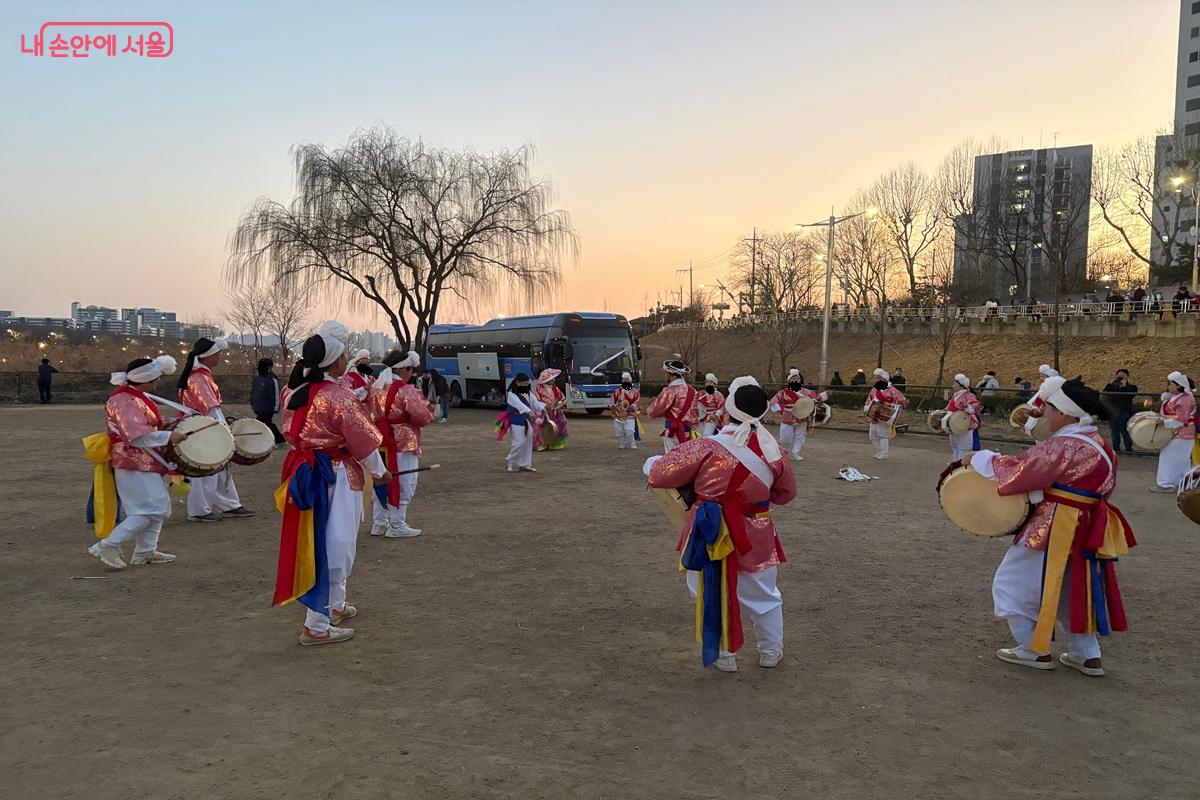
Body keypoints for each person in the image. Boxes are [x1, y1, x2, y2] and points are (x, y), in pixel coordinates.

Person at [968, 376, 1135, 677]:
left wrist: (981, 458)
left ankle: (1033, 649)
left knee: (1014, 583)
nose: (1045, 413)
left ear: (1067, 413)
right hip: (1086, 522)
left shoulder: (1065, 445)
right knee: (1072, 585)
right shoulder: (1101, 445)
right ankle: (1087, 655)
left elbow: (1023, 470)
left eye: (1051, 409)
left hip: (1054, 524)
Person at [645, 376, 797, 672]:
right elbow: (786, 494)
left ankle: (724, 654)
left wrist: (651, 463)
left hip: (709, 531)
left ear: (729, 408)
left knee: (708, 587)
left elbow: (660, 474)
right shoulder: (774, 450)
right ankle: (770, 651)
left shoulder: (706, 446)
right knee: (764, 594)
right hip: (757, 532)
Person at [274, 325, 389, 646]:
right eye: (344, 356)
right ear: (335, 362)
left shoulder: (292, 392)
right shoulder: (338, 396)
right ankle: (317, 625)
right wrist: (380, 472)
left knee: (320, 539)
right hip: (335, 475)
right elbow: (363, 442)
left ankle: (334, 606)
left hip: (304, 472)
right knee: (336, 544)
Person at [85, 355, 183, 570]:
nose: (158, 383)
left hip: (142, 459)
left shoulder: (134, 396)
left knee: (155, 507)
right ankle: (108, 545)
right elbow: (136, 435)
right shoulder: (124, 400)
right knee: (151, 508)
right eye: (155, 379)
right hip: (132, 459)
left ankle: (145, 551)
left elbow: (148, 424)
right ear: (145, 379)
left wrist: (174, 422)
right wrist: (169, 436)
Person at [177, 337, 253, 522]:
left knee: (219, 469)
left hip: (206, 426)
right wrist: (223, 429)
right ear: (207, 356)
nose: (219, 357)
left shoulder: (201, 375)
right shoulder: (198, 378)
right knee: (204, 471)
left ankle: (230, 504)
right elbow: (210, 407)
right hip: (202, 429)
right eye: (216, 354)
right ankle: (199, 510)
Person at [369, 349, 434, 537]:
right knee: (405, 480)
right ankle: (397, 524)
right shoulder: (406, 391)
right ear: (404, 369)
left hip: (379, 439)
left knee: (380, 479)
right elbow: (423, 416)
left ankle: (379, 522)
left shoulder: (376, 388)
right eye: (411, 370)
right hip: (402, 441)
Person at [1152, 371, 1197, 492]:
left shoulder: (1185, 399)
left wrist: (1164, 422)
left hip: (1182, 433)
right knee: (1176, 459)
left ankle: (1167, 484)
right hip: (1178, 433)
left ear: (1178, 385)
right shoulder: (1179, 398)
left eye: (1171, 384)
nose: (1168, 386)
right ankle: (1179, 483)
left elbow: (1182, 418)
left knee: (1172, 459)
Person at [770, 369, 827, 462]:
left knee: (800, 436)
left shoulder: (806, 392)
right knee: (785, 437)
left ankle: (795, 453)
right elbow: (773, 402)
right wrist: (782, 408)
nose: (795, 381)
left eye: (797, 379)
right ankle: (784, 452)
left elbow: (816, 398)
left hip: (803, 417)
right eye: (793, 379)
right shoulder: (783, 392)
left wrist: (825, 395)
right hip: (788, 416)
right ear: (789, 381)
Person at [647, 360, 699, 452]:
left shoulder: (669, 391)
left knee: (671, 461)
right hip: (689, 432)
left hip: (672, 431)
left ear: (671, 375)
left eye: (666, 373)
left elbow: (653, 412)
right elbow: (695, 413)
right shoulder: (693, 391)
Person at [497, 373, 545, 472]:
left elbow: (535, 403)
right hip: (516, 420)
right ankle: (510, 462)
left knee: (528, 441)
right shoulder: (511, 394)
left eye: (527, 383)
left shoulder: (528, 393)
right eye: (524, 384)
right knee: (518, 442)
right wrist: (530, 412)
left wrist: (543, 408)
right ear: (518, 383)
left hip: (526, 420)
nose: (526, 385)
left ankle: (525, 464)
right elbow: (520, 406)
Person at [864, 368, 908, 460]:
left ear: (884, 379)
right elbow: (869, 400)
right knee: (872, 435)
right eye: (876, 378)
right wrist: (867, 408)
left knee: (883, 435)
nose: (876, 379)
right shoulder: (874, 389)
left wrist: (890, 405)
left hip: (886, 414)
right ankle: (879, 451)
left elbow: (901, 400)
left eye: (878, 378)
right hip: (874, 414)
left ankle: (884, 453)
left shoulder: (892, 390)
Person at [941, 373, 981, 461]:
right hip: (954, 423)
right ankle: (955, 463)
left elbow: (975, 408)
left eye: (955, 384)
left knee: (963, 447)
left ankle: (960, 465)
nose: (953, 385)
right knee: (955, 446)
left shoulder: (969, 396)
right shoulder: (956, 395)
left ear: (961, 385)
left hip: (964, 424)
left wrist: (966, 407)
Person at [1101, 369, 1137, 455]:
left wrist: (1124, 386)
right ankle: (1116, 449)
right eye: (1118, 376)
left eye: (1122, 376)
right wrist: (1110, 383)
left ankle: (1128, 448)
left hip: (1125, 412)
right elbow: (1104, 393)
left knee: (1125, 431)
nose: (1120, 378)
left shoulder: (1131, 386)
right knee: (1114, 431)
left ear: (1127, 377)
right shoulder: (1112, 386)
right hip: (1112, 412)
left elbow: (1132, 394)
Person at [532, 368, 569, 451]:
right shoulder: (539, 389)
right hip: (543, 412)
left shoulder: (555, 388)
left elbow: (561, 398)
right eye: (552, 379)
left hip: (555, 411)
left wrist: (560, 403)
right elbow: (536, 400)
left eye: (554, 378)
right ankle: (540, 444)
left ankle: (554, 443)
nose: (554, 380)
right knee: (542, 428)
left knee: (559, 424)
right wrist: (544, 406)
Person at [251, 358, 286, 445]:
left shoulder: (272, 379)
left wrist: (275, 407)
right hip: (259, 406)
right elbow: (254, 392)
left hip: (268, 407)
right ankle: (278, 438)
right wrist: (253, 403)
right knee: (266, 423)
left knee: (262, 422)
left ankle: (278, 438)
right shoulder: (257, 379)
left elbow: (275, 394)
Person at [609, 371, 641, 450]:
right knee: (619, 431)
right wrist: (613, 405)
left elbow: (637, 400)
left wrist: (633, 406)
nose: (625, 381)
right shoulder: (617, 391)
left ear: (630, 380)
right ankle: (622, 443)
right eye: (624, 380)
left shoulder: (635, 391)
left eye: (627, 380)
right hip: (619, 413)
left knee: (629, 430)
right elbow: (613, 399)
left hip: (629, 414)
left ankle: (632, 443)